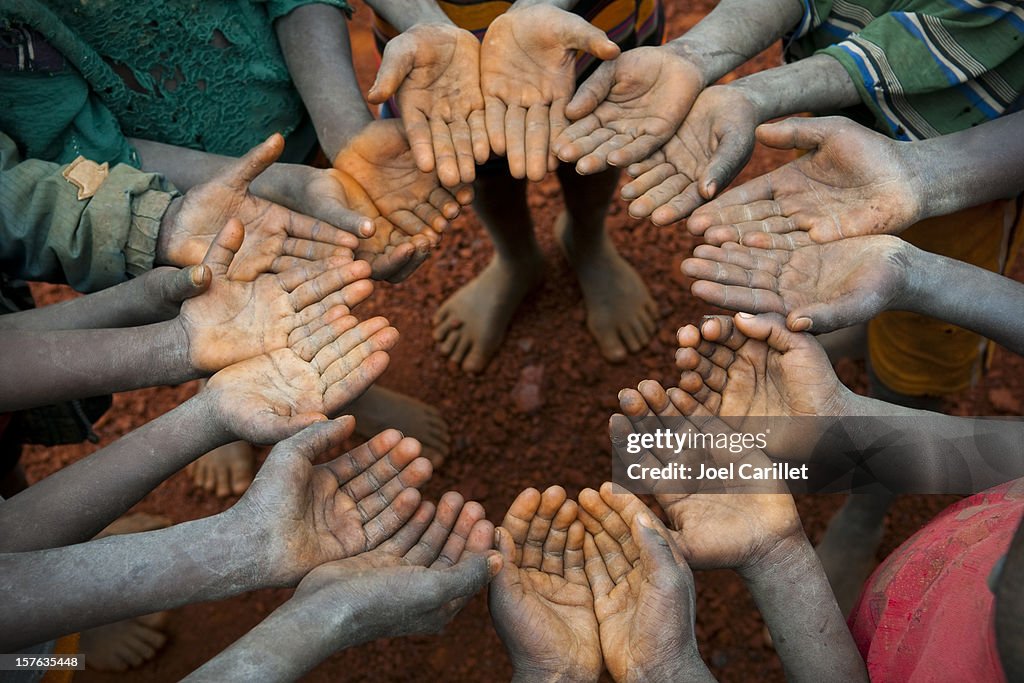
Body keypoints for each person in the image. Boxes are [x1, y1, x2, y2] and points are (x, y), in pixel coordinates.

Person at [1, 1, 454, 497]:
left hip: (289, 123)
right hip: (138, 188)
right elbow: (65, 150)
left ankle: (337, 384)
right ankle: (216, 390)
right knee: (195, 297)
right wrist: (173, 220)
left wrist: (341, 129)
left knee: (318, 264)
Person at [366, 0, 665, 371]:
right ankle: (515, 257)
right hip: (422, 22)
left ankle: (587, 240)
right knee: (477, 149)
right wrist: (422, 19)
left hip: (595, 11)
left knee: (597, 128)